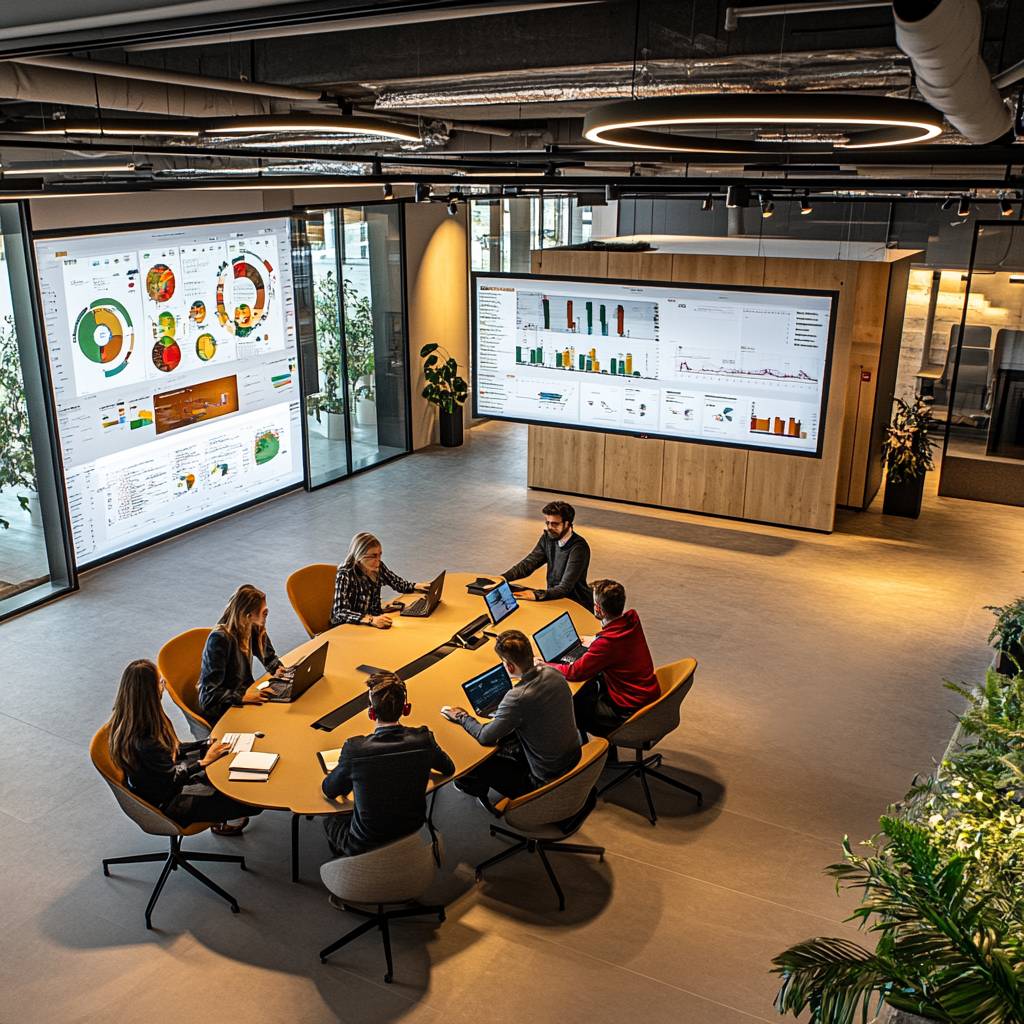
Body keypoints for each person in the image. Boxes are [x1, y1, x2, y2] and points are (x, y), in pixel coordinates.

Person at [108, 659, 260, 835]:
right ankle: (222, 819)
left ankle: (220, 818)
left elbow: (173, 750)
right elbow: (171, 780)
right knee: (244, 798)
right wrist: (204, 761)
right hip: (171, 800)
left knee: (223, 763)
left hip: (159, 783)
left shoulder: (132, 719)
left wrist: (205, 744)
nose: (163, 684)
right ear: (150, 692)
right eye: (160, 681)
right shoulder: (145, 741)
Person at [322, 672, 455, 858]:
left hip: (364, 843)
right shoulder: (424, 739)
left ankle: (352, 865)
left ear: (371, 712)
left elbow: (329, 790)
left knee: (330, 817)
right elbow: (449, 768)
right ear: (406, 708)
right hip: (412, 828)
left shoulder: (355, 749)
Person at [441, 629, 580, 807]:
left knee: (482, 760)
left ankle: (472, 788)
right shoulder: (554, 674)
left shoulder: (518, 697)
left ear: (509, 666)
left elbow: (485, 736)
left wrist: (462, 716)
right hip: (574, 757)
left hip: (544, 779)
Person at [552, 579, 660, 737]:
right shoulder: (632, 620)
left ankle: (592, 754)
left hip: (624, 708)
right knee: (591, 684)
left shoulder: (608, 644)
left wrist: (545, 665)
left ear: (598, 609)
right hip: (644, 693)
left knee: (569, 707)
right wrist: (595, 639)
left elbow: (574, 672)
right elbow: (615, 643)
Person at [198, 584, 289, 726]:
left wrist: (277, 669)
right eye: (264, 613)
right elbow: (208, 696)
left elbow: (270, 658)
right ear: (248, 616)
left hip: (245, 695)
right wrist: (241, 697)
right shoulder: (219, 640)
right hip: (226, 709)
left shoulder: (252, 627)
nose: (267, 616)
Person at [500, 500, 592, 609]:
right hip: (554, 598)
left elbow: (565, 588)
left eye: (554, 524)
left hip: (575, 603)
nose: (549, 527)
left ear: (567, 523)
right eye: (547, 523)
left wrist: (536, 595)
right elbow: (528, 564)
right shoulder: (548, 538)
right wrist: (503, 578)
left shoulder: (579, 548)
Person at [330, 532, 430, 629]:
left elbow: (396, 583)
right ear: (359, 556)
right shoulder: (345, 574)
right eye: (373, 556)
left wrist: (415, 586)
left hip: (373, 624)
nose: (378, 560)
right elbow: (340, 612)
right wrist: (370, 620)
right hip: (349, 628)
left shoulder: (378, 567)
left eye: (379, 555)